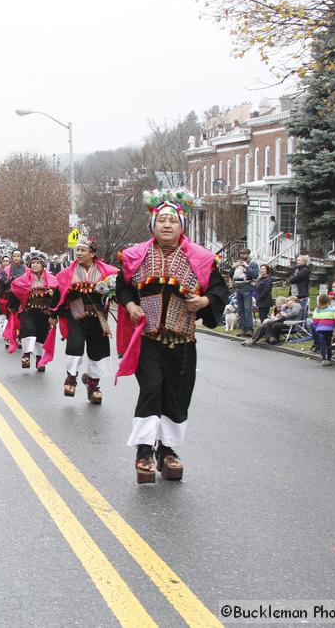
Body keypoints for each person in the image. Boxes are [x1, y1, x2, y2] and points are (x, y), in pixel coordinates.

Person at [115, 189, 227, 484]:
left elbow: (219, 291)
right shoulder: (135, 257)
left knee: (176, 396)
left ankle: (167, 450)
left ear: (182, 226)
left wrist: (204, 303)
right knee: (152, 388)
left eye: (172, 221)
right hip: (148, 339)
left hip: (183, 343)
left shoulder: (202, 259)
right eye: (161, 220)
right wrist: (130, 304)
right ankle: (143, 451)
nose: (166, 225)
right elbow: (123, 286)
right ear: (152, 225)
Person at [52, 236, 118, 404]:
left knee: (99, 350)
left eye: (83, 250)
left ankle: (93, 385)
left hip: (98, 316)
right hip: (76, 314)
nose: (79, 253)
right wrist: (54, 315)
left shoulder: (107, 272)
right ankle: (71, 378)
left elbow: (118, 291)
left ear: (92, 253)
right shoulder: (69, 273)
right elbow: (60, 293)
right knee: (75, 344)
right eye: (78, 250)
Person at [4, 252, 60, 372]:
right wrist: (12, 306)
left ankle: (40, 358)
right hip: (27, 310)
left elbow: (58, 297)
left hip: (44, 312)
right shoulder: (22, 279)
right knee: (28, 330)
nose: (35, 265)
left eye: (37, 263)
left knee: (42, 335)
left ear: (43, 265)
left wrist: (52, 294)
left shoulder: (52, 280)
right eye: (33, 263)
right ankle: (26, 354)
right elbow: (14, 290)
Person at [230, 248, 259, 337]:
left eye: (244, 254)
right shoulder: (238, 263)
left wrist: (247, 267)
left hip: (247, 287)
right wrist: (233, 267)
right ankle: (243, 328)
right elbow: (231, 274)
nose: (242, 255)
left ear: (248, 254)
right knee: (240, 309)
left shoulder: (252, 263)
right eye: (241, 254)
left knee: (247, 309)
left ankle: (249, 329)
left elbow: (255, 275)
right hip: (238, 287)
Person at [310, 293, 335, 366]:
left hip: (320, 329)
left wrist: (316, 327)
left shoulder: (317, 310)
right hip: (329, 329)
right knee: (328, 343)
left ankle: (323, 358)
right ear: (328, 301)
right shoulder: (333, 309)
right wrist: (334, 324)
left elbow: (314, 320)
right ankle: (329, 359)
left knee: (322, 344)